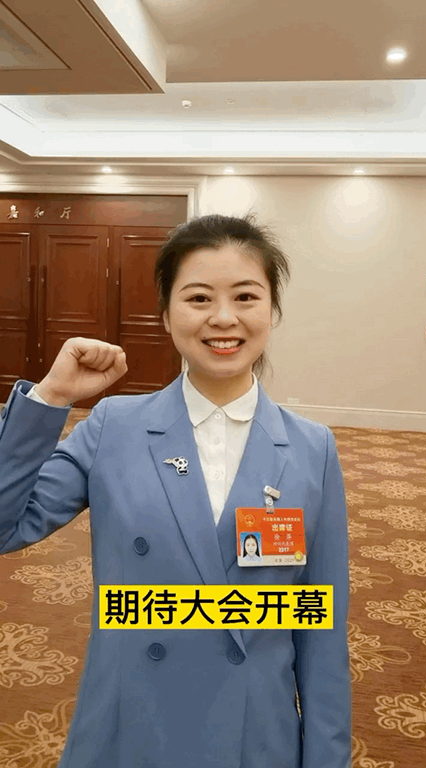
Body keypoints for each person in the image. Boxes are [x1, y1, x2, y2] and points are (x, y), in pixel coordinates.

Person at [0, 211, 351, 768]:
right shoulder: (114, 426)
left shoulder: (312, 448)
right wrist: (50, 398)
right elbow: (5, 526)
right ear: (165, 315)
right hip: (131, 722)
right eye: (198, 298)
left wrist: (327, 756)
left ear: (272, 311)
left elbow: (321, 625)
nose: (223, 318)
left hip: (253, 733)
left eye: (245, 296)